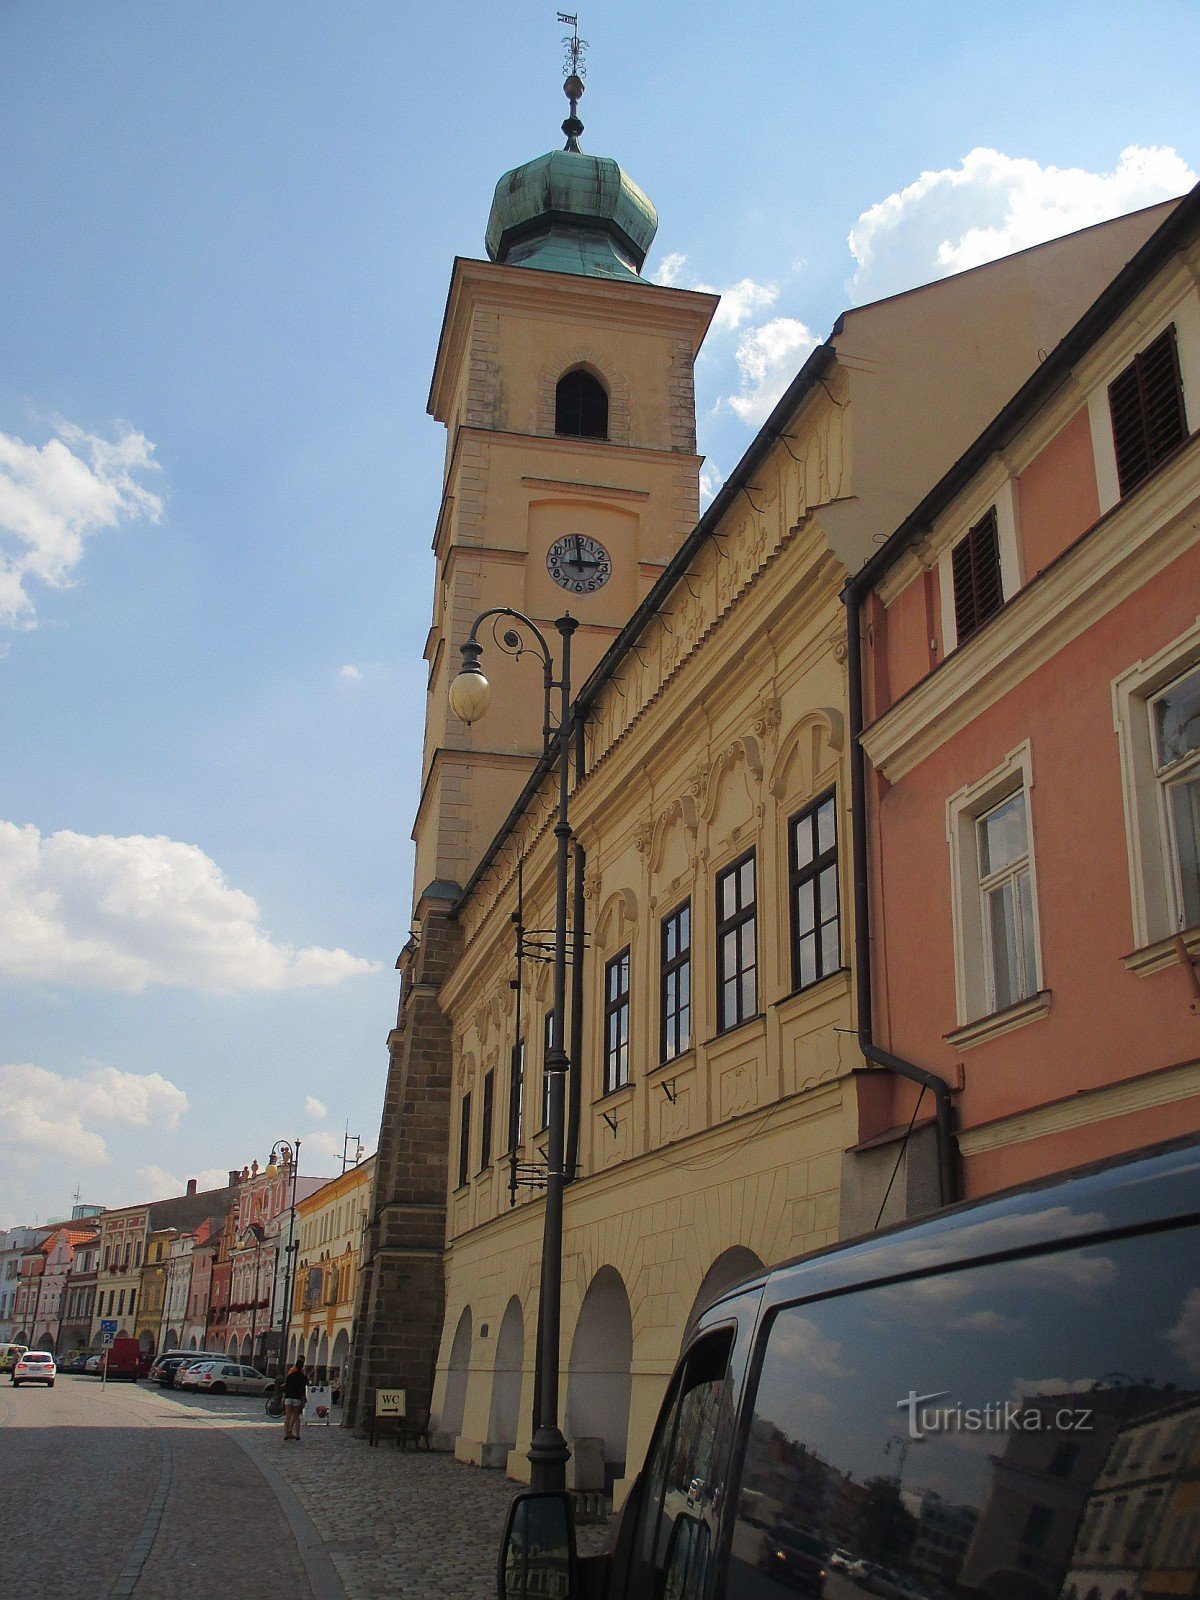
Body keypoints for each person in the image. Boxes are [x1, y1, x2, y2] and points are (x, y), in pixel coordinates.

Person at [282, 1358, 307, 1440]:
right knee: (296, 1416)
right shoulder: (303, 1377)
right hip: (297, 1398)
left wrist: (283, 1397)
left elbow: (286, 1387)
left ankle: (287, 1434)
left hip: (289, 1397)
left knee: (288, 1416)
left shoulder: (290, 1375)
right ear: (302, 1367)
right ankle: (297, 1434)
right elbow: (303, 1390)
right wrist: (303, 1400)